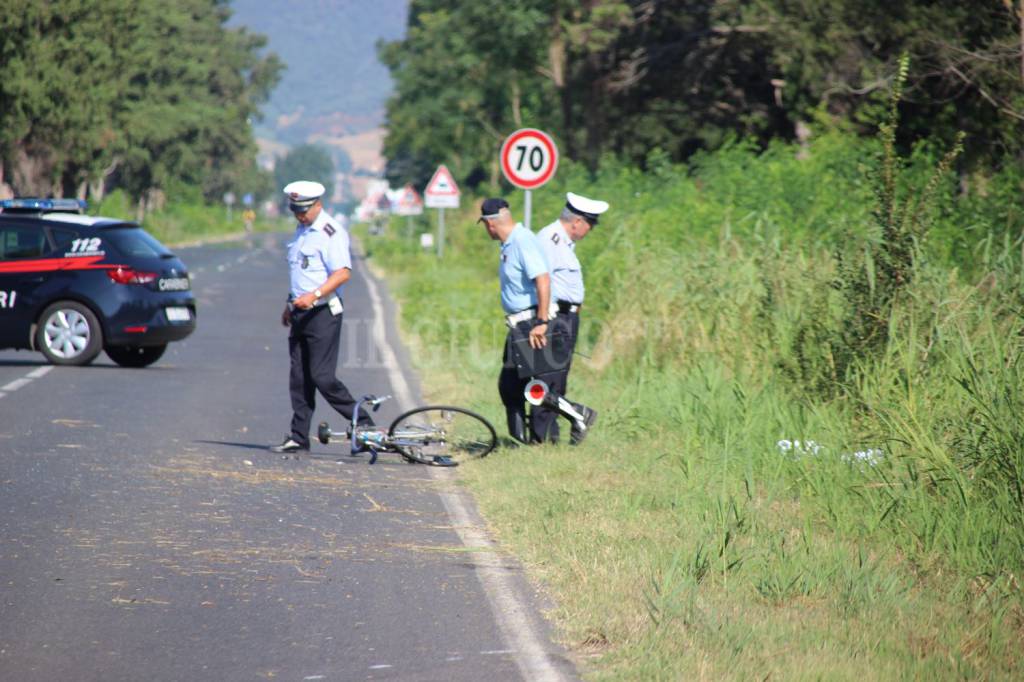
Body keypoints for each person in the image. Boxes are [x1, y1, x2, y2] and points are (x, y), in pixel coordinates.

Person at [479, 198, 594, 445]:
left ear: (490, 224)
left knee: (539, 387)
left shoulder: (522, 240)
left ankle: (574, 417)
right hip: (518, 323)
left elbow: (543, 279)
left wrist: (541, 322)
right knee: (509, 385)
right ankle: (523, 438)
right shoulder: (509, 244)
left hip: (532, 322)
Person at [270, 180, 371, 454]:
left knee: (322, 377)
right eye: (295, 210)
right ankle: (299, 437)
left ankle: (365, 425)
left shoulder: (331, 232)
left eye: (303, 210)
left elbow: (342, 273)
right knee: (299, 378)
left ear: (318, 205)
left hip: (323, 313)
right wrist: (288, 305)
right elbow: (300, 275)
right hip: (300, 312)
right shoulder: (301, 231)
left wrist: (313, 296)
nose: (299, 215)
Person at [533, 192, 606, 444]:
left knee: (558, 379)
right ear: (577, 221)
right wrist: (544, 320)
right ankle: (542, 438)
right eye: (590, 224)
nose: (590, 230)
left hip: (567, 318)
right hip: (554, 317)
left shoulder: (564, 243)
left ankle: (552, 436)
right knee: (546, 378)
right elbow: (541, 281)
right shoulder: (549, 240)